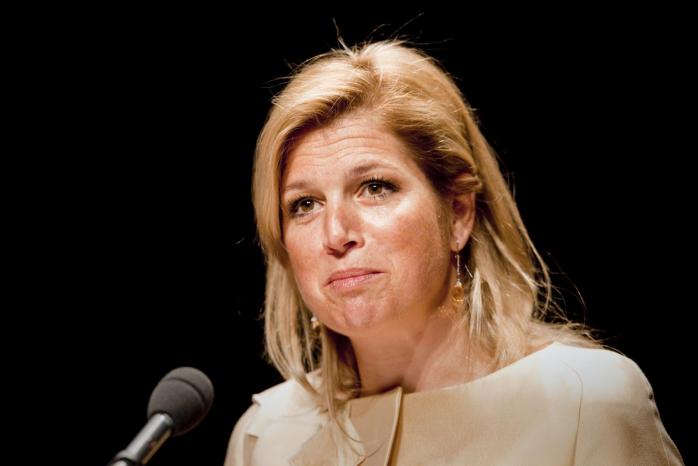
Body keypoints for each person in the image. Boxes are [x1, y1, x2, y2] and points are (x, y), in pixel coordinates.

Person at [224, 40, 683, 465]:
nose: (336, 234)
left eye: (375, 187)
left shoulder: (584, 401)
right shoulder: (265, 438)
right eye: (305, 205)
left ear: (458, 213)